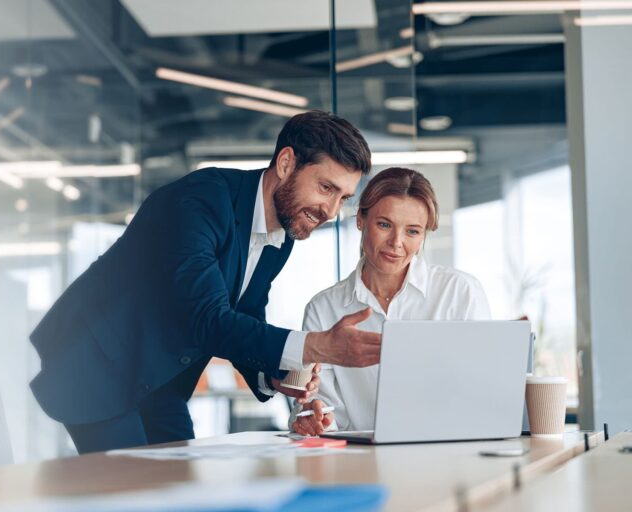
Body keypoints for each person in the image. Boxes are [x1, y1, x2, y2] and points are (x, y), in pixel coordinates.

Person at [29, 110, 384, 453]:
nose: (331, 211)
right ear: (286, 163)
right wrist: (314, 346)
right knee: (132, 494)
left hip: (160, 381)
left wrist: (275, 375)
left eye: (343, 198)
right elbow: (206, 317)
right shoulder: (201, 200)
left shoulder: (283, 232)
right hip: (98, 367)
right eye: (326, 188)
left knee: (182, 487)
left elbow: (245, 311)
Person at [291, 167, 491, 436]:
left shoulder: (460, 292)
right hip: (359, 463)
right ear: (361, 219)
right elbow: (318, 405)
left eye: (412, 231)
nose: (396, 243)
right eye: (384, 225)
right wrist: (313, 416)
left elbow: (482, 390)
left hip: (447, 454)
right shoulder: (324, 309)